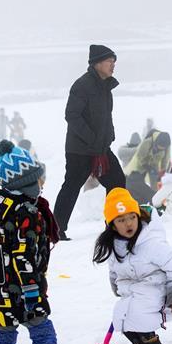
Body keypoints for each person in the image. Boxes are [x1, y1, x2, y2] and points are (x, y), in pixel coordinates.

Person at [0, 140, 78, 344]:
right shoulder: (26, 212)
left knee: (3, 336)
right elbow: (23, 254)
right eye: (37, 179)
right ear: (25, 182)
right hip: (24, 287)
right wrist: (33, 291)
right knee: (43, 334)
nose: (41, 183)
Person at [93, 188, 172, 344]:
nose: (128, 223)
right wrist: (116, 286)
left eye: (132, 217)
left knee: (137, 313)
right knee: (120, 316)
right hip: (134, 291)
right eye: (121, 220)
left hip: (157, 289)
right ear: (112, 225)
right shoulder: (114, 246)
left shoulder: (152, 242)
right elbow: (113, 268)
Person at [53, 45, 126, 239]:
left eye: (114, 62)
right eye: (110, 61)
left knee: (117, 181)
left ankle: (114, 223)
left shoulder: (106, 87)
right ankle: (55, 230)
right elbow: (72, 115)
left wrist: (110, 135)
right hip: (80, 149)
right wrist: (92, 139)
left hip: (101, 148)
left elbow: (106, 117)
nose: (113, 65)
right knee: (72, 186)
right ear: (97, 63)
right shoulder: (82, 85)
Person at [123, 129, 171, 205]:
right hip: (141, 163)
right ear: (156, 143)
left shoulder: (166, 146)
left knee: (155, 182)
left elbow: (165, 160)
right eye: (159, 147)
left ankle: (155, 199)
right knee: (137, 181)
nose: (160, 149)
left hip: (154, 163)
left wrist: (162, 172)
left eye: (162, 148)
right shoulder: (147, 142)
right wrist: (147, 166)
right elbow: (140, 157)